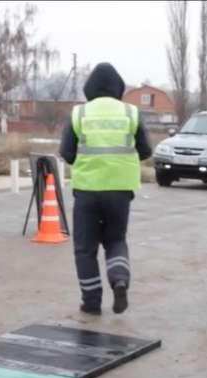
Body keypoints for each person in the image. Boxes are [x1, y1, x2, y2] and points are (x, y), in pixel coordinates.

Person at [59, 63, 152, 315]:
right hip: (120, 191)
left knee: (85, 248)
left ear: (89, 88)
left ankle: (91, 302)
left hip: (87, 190)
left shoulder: (79, 114)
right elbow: (146, 151)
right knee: (116, 239)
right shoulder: (131, 113)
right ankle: (119, 280)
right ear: (118, 88)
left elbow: (66, 153)